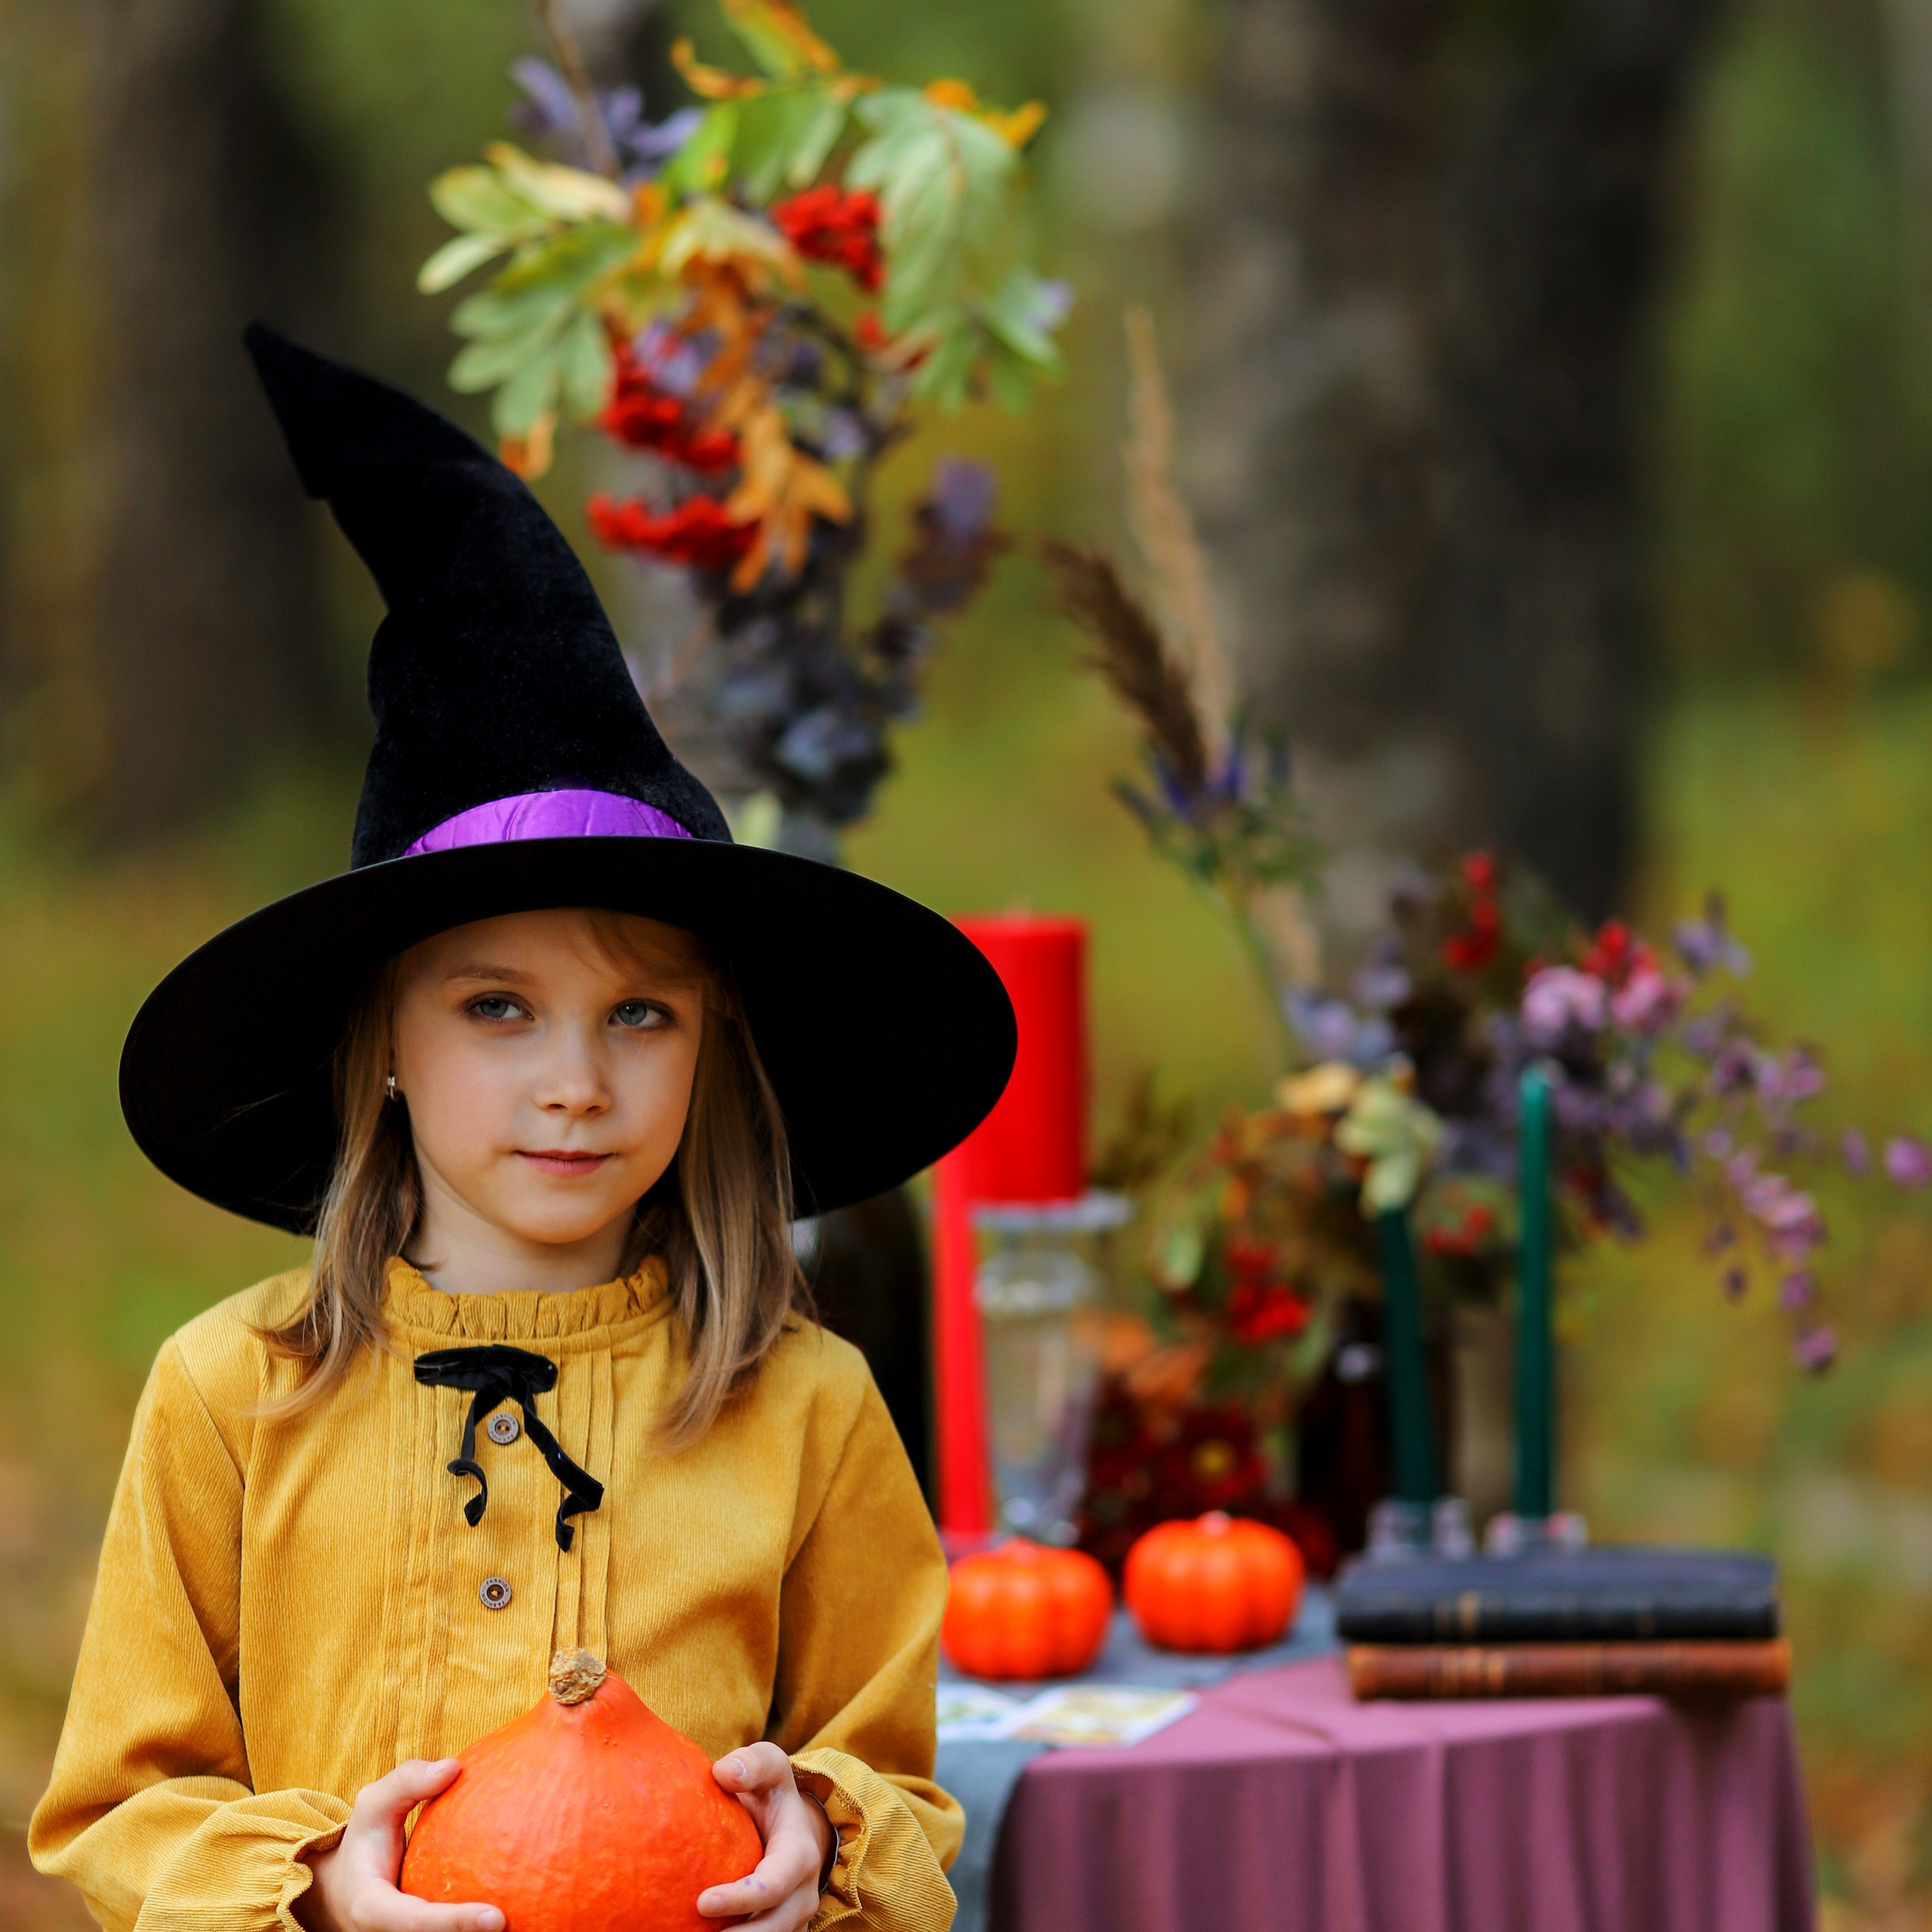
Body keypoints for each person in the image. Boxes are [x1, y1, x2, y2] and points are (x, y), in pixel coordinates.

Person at [29, 328, 1015, 1932]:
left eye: (643, 1013)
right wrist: (311, 1885)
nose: (577, 1080)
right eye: (498, 1007)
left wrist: (817, 1848)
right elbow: (122, 1804)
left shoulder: (807, 1408)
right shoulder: (230, 1394)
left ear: (711, 1051)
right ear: (388, 1045)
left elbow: (899, 1777)